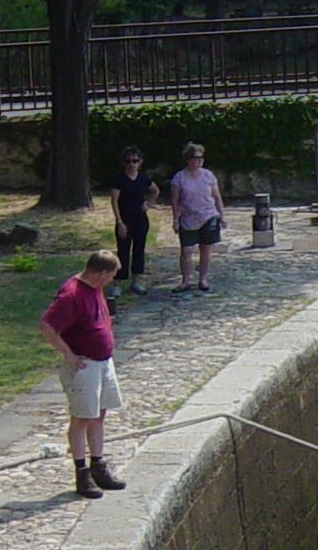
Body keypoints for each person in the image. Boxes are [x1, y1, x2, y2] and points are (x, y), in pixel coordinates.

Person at [40, 251, 126, 500]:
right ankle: (82, 472)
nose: (111, 280)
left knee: (99, 415)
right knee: (81, 419)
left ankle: (98, 466)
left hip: (102, 362)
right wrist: (68, 354)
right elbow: (48, 326)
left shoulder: (94, 288)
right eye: (111, 276)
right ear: (102, 273)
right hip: (84, 366)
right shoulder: (72, 294)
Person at [169, 141, 225, 293]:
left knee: (206, 248)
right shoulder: (179, 177)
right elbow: (174, 200)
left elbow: (216, 196)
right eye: (195, 158)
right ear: (188, 159)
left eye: (201, 158)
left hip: (208, 215)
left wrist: (222, 215)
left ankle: (203, 279)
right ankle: (185, 280)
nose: (199, 161)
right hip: (188, 217)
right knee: (186, 250)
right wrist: (175, 219)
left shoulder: (208, 175)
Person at [109, 146, 160, 294]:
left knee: (139, 249)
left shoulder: (143, 178)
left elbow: (155, 190)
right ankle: (117, 283)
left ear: (140, 162)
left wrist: (149, 204)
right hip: (125, 219)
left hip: (140, 219)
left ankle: (136, 281)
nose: (131, 164)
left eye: (135, 161)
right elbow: (114, 201)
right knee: (123, 250)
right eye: (128, 161)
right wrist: (119, 222)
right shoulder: (119, 179)